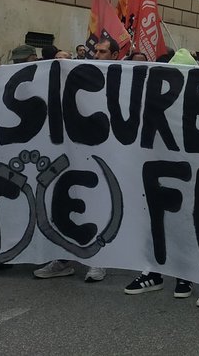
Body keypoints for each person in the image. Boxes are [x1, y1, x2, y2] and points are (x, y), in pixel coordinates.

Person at [35, 37, 121, 284]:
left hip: (107, 150)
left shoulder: (124, 76)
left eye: (104, 52)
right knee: (66, 202)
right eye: (96, 51)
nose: (97, 55)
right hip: (74, 148)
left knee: (100, 204)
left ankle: (98, 261)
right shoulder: (80, 74)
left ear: (115, 55)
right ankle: (63, 259)